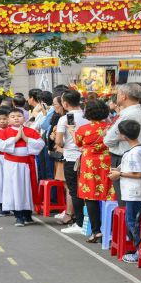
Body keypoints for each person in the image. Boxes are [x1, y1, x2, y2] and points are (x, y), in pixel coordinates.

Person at [108, 120, 141, 264]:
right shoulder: (139, 149)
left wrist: (119, 174)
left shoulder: (134, 152)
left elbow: (137, 174)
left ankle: (140, 252)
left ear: (123, 136)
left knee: (133, 221)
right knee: (136, 221)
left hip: (135, 193)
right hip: (139, 192)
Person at [74, 99, 115, 243]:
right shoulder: (110, 127)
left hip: (89, 164)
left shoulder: (82, 129)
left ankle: (96, 231)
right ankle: (110, 230)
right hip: (107, 162)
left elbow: (77, 143)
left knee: (91, 196)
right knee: (109, 194)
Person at [104, 83, 141, 204]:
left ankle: (128, 223)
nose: (116, 96)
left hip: (123, 157)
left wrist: (113, 136)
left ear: (124, 96)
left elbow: (108, 140)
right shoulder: (139, 112)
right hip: (133, 154)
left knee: (125, 199)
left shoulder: (128, 114)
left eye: (118, 94)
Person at [0, 108, 45, 227]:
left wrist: (25, 138)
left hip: (28, 163)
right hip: (12, 165)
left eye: (19, 116)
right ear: (9, 120)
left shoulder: (30, 131)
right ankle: (18, 215)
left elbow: (40, 144)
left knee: (28, 188)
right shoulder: (4, 132)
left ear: (24, 118)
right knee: (15, 189)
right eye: (13, 116)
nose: (16, 118)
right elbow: (0, 145)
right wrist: (15, 139)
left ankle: (27, 214)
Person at [55, 90, 89, 232]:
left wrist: (57, 140)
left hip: (71, 157)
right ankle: (85, 221)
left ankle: (80, 223)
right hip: (86, 157)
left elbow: (59, 142)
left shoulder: (66, 118)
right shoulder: (87, 115)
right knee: (86, 190)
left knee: (74, 190)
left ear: (65, 103)